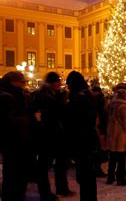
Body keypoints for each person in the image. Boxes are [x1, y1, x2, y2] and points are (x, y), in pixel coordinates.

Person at [31, 72, 73, 200]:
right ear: (51, 83)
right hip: (48, 134)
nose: (59, 84)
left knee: (60, 162)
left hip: (55, 134)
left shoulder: (49, 94)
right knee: (45, 165)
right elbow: (58, 112)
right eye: (57, 82)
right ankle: (46, 193)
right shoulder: (44, 96)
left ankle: (61, 188)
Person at [0, 71, 35, 201]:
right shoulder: (7, 97)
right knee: (13, 176)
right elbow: (8, 121)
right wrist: (28, 120)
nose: (24, 84)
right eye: (22, 82)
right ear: (12, 82)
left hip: (18, 141)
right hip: (14, 141)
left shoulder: (17, 95)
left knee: (15, 176)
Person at [64, 71, 99, 201]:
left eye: (69, 85)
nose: (68, 87)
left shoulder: (80, 99)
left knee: (85, 176)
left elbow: (73, 121)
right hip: (85, 140)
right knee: (86, 176)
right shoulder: (85, 96)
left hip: (82, 141)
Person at [106, 89, 126, 185]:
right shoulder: (124, 108)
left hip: (112, 135)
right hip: (121, 137)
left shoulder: (111, 106)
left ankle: (110, 177)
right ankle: (121, 178)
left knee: (112, 158)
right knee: (122, 159)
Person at [91, 85, 108, 178]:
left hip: (99, 127)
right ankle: (97, 168)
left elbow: (101, 115)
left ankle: (97, 168)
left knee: (99, 148)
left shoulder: (99, 101)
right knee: (98, 148)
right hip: (99, 127)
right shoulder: (100, 99)